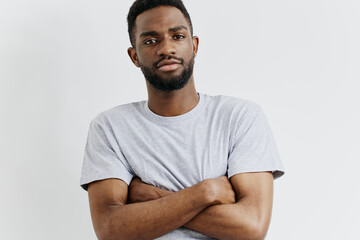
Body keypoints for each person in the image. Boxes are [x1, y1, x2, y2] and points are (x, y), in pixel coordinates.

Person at [80, 0, 285, 239]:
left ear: (194, 45)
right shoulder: (109, 128)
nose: (166, 49)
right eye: (150, 41)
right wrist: (206, 192)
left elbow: (251, 227)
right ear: (134, 56)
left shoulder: (240, 117)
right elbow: (110, 229)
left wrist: (150, 196)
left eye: (177, 36)